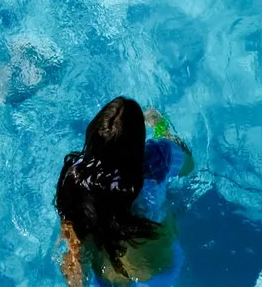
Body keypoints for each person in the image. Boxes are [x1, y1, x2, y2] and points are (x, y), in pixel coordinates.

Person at [57, 98, 194, 287]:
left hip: (107, 272)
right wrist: (161, 127)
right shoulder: (158, 158)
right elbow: (188, 166)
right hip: (153, 266)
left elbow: (70, 232)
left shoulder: (76, 177)